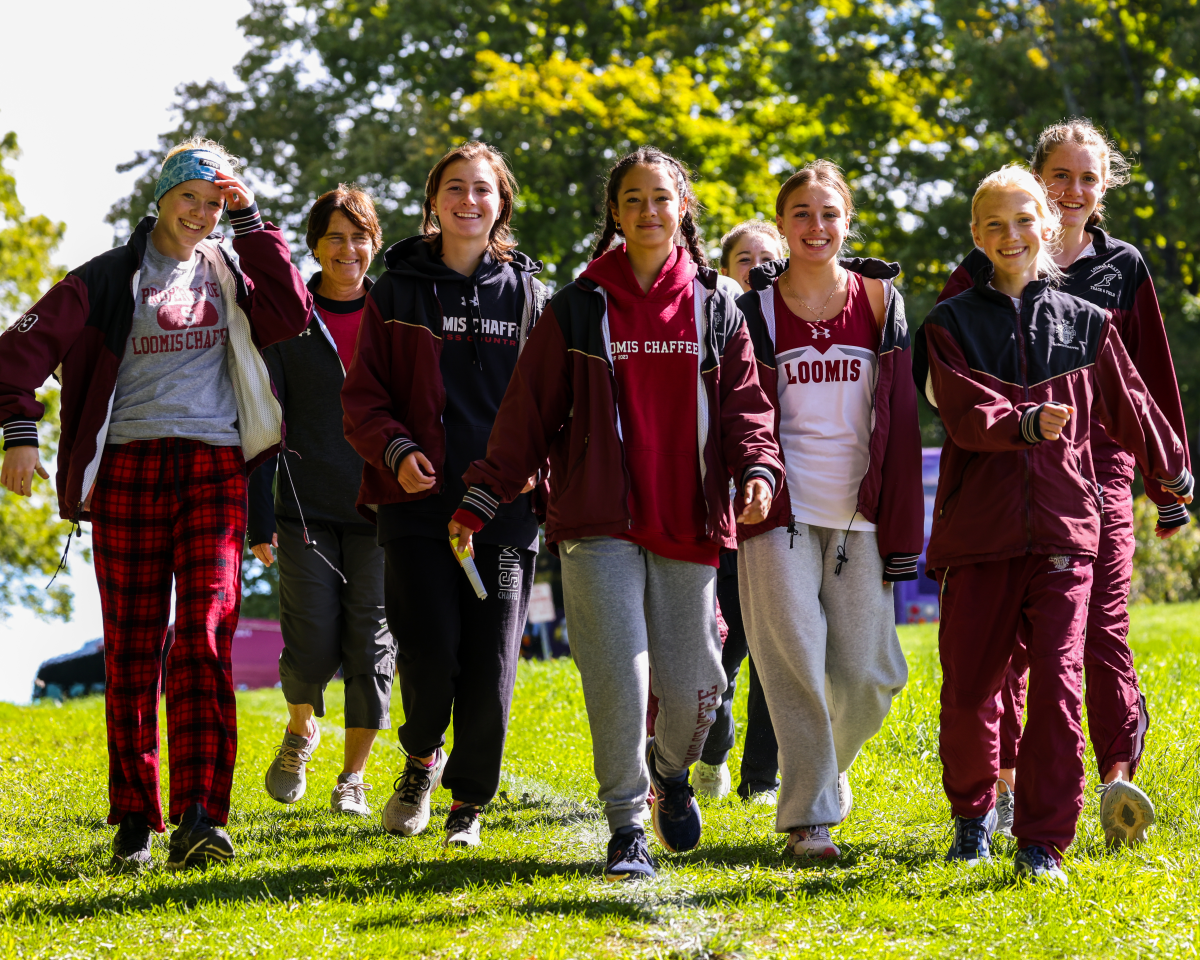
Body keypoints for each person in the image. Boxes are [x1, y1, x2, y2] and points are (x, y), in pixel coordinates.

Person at [447, 146, 783, 881]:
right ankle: (627, 827)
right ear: (616, 213)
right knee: (617, 682)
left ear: (683, 207)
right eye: (633, 199)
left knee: (700, 688)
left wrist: (758, 466)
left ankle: (670, 774)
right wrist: (482, 493)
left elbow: (747, 409)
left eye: (661, 197)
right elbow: (527, 413)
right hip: (595, 523)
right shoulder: (578, 305)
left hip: (689, 523)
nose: (648, 210)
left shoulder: (716, 304)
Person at [0, 137, 311, 870]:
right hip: (127, 475)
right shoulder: (105, 279)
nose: (200, 215)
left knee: (204, 630)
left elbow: (293, 314)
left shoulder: (233, 269)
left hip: (214, 468)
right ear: (162, 199)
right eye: (190, 200)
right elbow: (13, 359)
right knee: (135, 648)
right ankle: (136, 821)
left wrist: (252, 218)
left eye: (213, 203)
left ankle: (202, 816)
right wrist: (20, 435)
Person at [917, 164, 1192, 884]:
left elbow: (1134, 402)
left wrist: (1172, 471)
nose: (1011, 235)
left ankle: (1043, 842)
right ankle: (972, 820)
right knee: (971, 688)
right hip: (979, 536)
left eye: (1023, 220)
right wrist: (1026, 422)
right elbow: (964, 412)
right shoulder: (948, 325)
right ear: (976, 235)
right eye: (995, 224)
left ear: (1048, 224)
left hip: (1067, 532)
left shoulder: (1089, 323)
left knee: (1059, 690)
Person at [341, 142, 546, 849]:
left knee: (490, 672)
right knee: (430, 658)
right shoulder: (395, 291)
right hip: (416, 511)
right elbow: (362, 399)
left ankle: (468, 807)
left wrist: (528, 473)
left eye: (483, 190)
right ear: (434, 202)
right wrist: (396, 454)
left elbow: (551, 404)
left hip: (504, 512)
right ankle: (421, 756)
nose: (469, 201)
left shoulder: (528, 295)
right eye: (454, 188)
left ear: (502, 203)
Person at [735, 161, 921, 861]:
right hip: (777, 510)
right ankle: (809, 817)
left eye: (829, 213)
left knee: (874, 674)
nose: (816, 227)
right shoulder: (753, 309)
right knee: (793, 666)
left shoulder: (879, 301)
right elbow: (737, 411)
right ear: (780, 223)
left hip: (859, 515)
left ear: (847, 221)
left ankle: (824, 770)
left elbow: (899, 413)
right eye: (802, 214)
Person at [248, 185, 394, 817]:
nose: (347, 249)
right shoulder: (289, 319)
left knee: (371, 643)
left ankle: (352, 777)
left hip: (382, 512)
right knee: (310, 640)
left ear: (374, 244)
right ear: (314, 245)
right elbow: (260, 421)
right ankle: (301, 728)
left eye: (358, 236)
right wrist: (258, 515)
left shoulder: (395, 316)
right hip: (303, 510)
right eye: (334, 236)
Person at [689, 220, 789, 803]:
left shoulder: (797, 320)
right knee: (723, 649)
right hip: (725, 517)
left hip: (784, 514)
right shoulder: (712, 325)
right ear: (725, 269)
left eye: (766, 257)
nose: (756, 266)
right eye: (743, 258)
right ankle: (711, 747)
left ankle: (761, 778)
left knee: (775, 657)